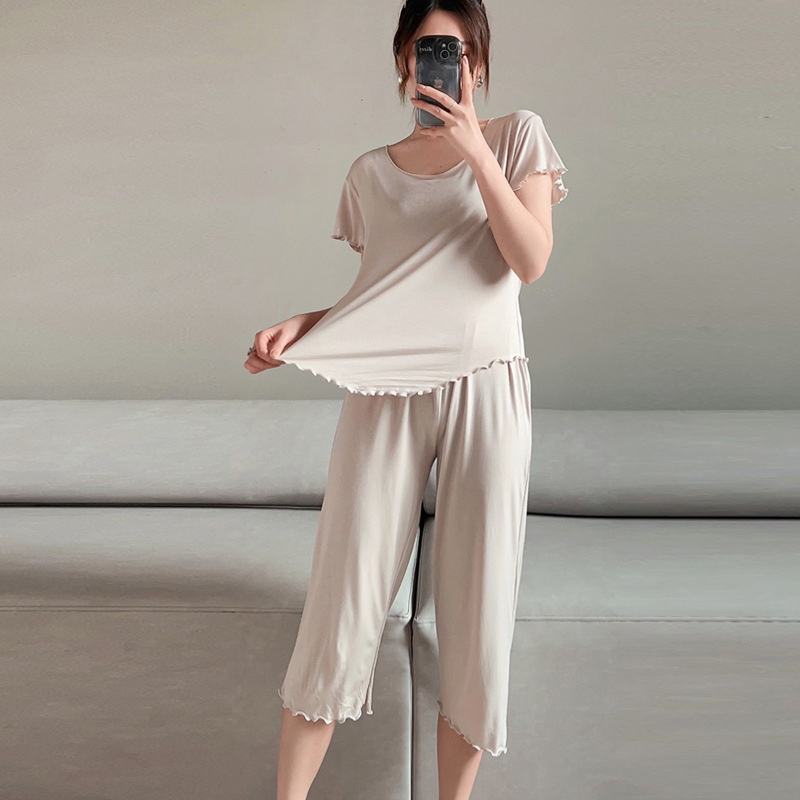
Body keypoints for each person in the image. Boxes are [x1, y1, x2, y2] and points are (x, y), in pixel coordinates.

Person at [244, 2, 568, 797]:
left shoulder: (518, 136)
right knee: (342, 600)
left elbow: (529, 261)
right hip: (386, 391)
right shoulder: (370, 172)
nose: (446, 63)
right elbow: (391, 295)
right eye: (429, 49)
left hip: (487, 384)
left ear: (479, 60)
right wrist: (309, 325)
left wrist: (474, 151)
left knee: (477, 608)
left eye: (458, 49)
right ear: (403, 61)